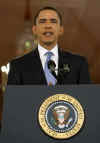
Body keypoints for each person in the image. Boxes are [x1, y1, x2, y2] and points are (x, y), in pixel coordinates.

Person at [7, 6, 91, 85]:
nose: (48, 26)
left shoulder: (79, 64)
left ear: (61, 30)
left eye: (53, 21)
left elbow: (86, 98)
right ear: (34, 30)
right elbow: (13, 99)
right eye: (42, 21)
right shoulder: (17, 66)